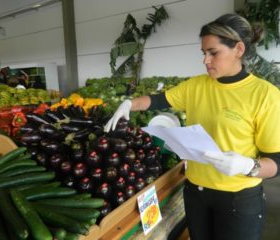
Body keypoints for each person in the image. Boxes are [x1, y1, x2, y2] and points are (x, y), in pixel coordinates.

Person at [104, 13, 280, 240]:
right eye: (203, 53)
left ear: (238, 49)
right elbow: (158, 100)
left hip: (238, 199)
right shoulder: (197, 85)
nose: (205, 60)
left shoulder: (265, 95)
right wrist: (130, 104)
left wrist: (248, 166)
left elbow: (276, 161)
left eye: (213, 53)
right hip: (196, 194)